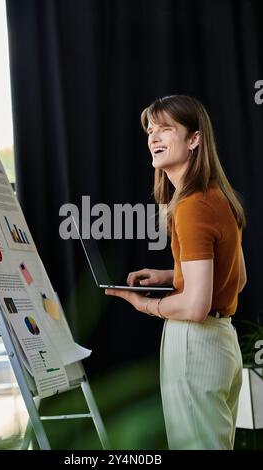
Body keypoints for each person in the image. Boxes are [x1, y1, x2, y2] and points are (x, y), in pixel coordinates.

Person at [105, 95, 247, 450]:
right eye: (151, 130)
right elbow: (237, 278)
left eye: (165, 129)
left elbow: (195, 307)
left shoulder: (191, 207)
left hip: (195, 344)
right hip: (223, 346)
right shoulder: (219, 197)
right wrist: (170, 274)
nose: (153, 138)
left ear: (195, 139)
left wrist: (144, 305)